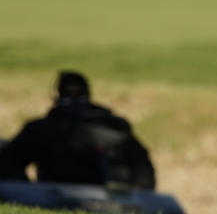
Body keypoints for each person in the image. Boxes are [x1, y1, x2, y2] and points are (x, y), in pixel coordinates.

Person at [0, 71, 155, 189]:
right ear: (88, 94)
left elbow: (8, 161)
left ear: (57, 95)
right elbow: (143, 168)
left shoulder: (42, 129)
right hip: (114, 200)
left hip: (55, 195)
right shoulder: (115, 128)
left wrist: (30, 193)